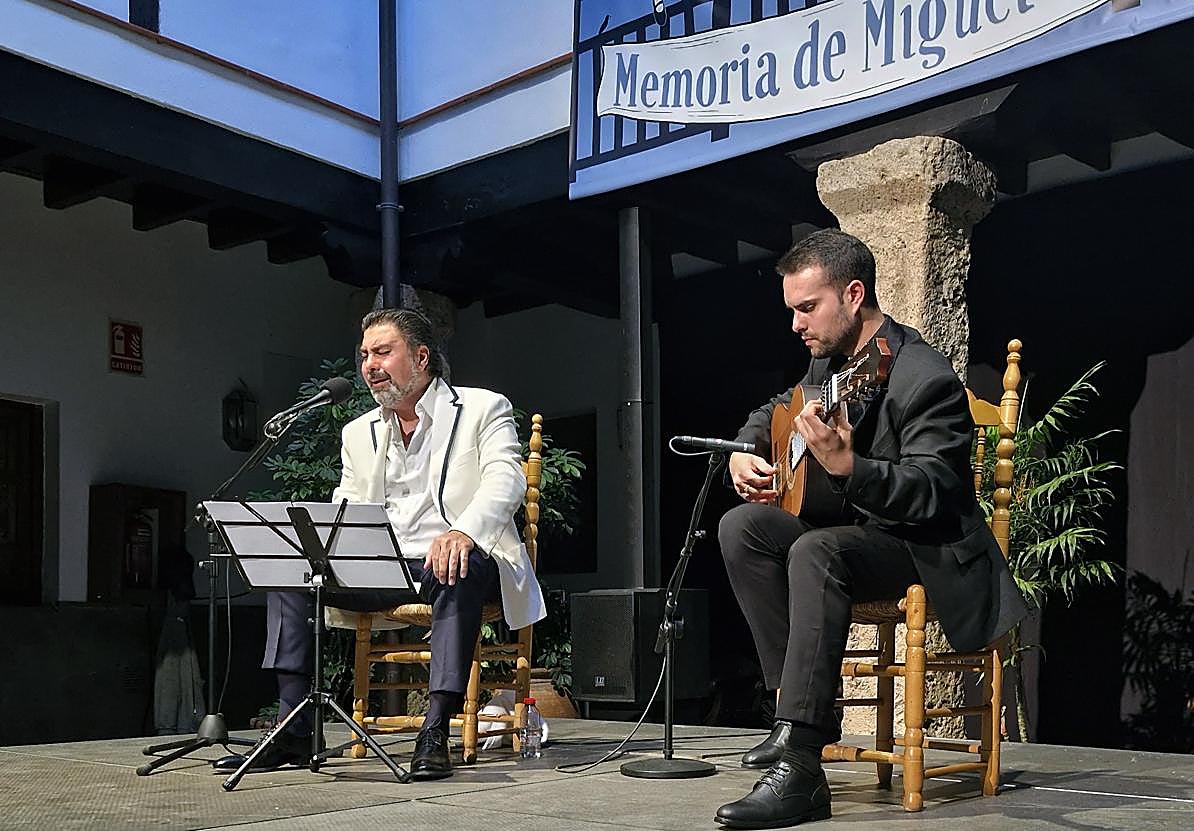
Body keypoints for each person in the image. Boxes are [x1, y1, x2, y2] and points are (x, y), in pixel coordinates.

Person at [714, 229, 1027, 828]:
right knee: (743, 528)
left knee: (815, 549)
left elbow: (935, 491)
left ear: (854, 294)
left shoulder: (924, 375)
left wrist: (850, 467)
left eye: (808, 307)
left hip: (928, 547)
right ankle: (796, 713)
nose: (797, 324)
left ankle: (800, 764)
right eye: (792, 310)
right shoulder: (829, 363)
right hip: (855, 540)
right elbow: (773, 408)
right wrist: (744, 447)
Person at [216, 308, 544, 781]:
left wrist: (463, 533)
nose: (369, 364)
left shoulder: (481, 408)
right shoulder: (358, 432)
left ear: (421, 357)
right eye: (365, 354)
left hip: (462, 558)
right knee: (291, 569)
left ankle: (434, 732)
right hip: (384, 565)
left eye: (383, 352)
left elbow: (504, 482)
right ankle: (294, 725)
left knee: (459, 565)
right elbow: (347, 507)